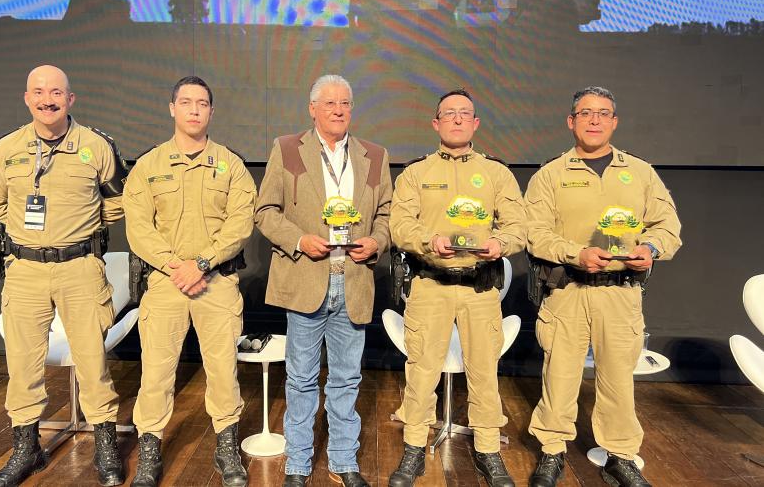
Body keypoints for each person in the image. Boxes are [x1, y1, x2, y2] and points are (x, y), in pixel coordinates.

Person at [525, 87, 682, 487]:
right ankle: (552, 451)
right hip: (568, 292)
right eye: (585, 113)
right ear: (571, 121)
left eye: (603, 113)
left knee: (617, 378)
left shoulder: (641, 173)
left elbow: (668, 226)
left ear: (614, 121)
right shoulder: (551, 175)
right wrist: (575, 253)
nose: (594, 120)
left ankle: (620, 455)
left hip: (621, 293)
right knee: (558, 377)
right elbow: (534, 234)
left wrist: (651, 247)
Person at [0, 65, 128, 486]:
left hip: (80, 268)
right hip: (24, 269)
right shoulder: (3, 151)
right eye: (39, 92)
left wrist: (74, 232)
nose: (48, 99)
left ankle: (105, 448)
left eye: (57, 92)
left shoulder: (97, 147)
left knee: (93, 363)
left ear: (70, 99)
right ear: (27, 98)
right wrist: (33, 237)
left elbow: (117, 202)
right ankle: (27, 451)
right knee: (22, 365)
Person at [255, 74, 392, 487]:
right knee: (300, 379)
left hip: (352, 281)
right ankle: (297, 463)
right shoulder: (286, 149)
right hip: (306, 280)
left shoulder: (374, 154)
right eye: (329, 103)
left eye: (345, 104)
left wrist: (376, 240)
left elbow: (386, 215)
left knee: (347, 378)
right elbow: (265, 212)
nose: (337, 110)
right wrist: (298, 239)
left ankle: (343, 460)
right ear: (312, 108)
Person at [387, 88, 525, 487]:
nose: (458, 119)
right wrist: (428, 241)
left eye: (465, 114)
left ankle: (488, 452)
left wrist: (502, 244)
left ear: (476, 123)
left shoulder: (497, 173)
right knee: (421, 372)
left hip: (480, 290)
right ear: (436, 123)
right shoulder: (416, 173)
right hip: (430, 285)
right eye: (450, 114)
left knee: (484, 373)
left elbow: (518, 225)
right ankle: (414, 449)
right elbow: (400, 225)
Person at [124, 76, 255, 487]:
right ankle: (149, 450)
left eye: (202, 103)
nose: (194, 109)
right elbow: (138, 227)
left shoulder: (230, 164)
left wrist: (200, 263)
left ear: (211, 112)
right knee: (157, 373)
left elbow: (241, 222)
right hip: (165, 284)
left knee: (222, 372)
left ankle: (226, 447)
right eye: (186, 102)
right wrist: (174, 266)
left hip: (215, 282)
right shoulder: (149, 165)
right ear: (172, 108)